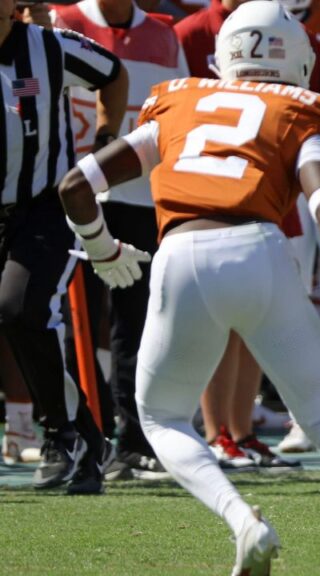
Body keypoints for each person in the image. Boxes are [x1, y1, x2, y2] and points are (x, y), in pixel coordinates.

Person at [57, 3, 320, 574]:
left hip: (181, 254)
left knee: (162, 418)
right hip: (260, 251)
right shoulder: (301, 109)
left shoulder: (179, 101)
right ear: (298, 58)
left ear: (225, 54)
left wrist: (103, 249)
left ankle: (244, 521)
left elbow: (76, 186)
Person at [175, 0, 320, 472]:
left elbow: (318, 106)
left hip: (275, 187)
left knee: (257, 321)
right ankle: (215, 432)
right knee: (220, 322)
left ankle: (241, 431)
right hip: (219, 188)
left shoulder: (293, 30)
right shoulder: (190, 32)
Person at [53, 0, 190, 482]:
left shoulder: (163, 33)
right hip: (76, 193)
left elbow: (178, 111)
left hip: (140, 196)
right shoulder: (61, 21)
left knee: (138, 320)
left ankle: (132, 440)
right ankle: (77, 437)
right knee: (75, 323)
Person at [0, 0, 127, 494]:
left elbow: (112, 74)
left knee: (22, 309)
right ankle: (87, 440)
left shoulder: (51, 47)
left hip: (42, 207)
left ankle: (60, 435)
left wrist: (106, 138)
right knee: (22, 320)